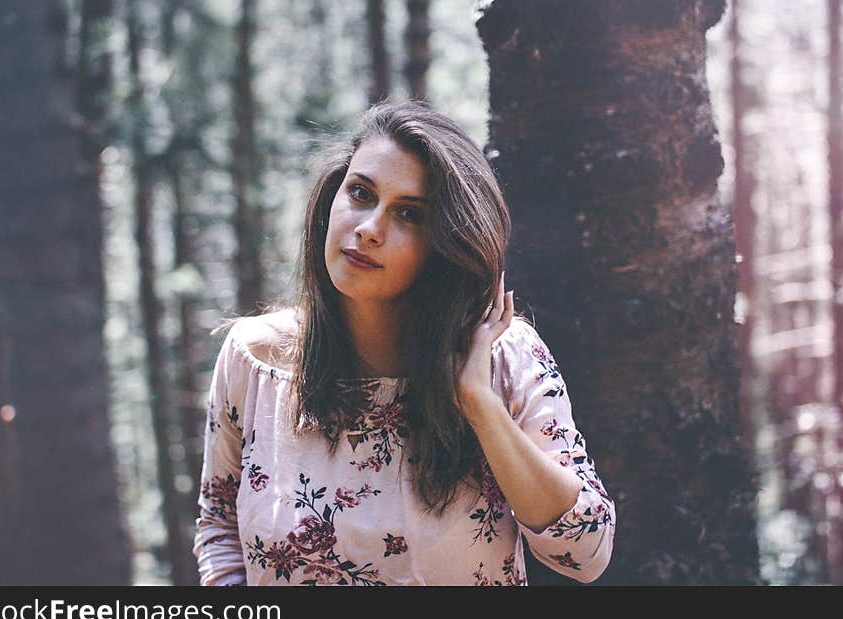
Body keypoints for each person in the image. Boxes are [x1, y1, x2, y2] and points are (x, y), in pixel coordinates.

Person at [192, 100, 615, 586]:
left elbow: (584, 553)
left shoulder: (502, 356)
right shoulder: (256, 360)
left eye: (409, 214)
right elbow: (219, 527)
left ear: (445, 245)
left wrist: (479, 404)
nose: (369, 229)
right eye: (361, 193)